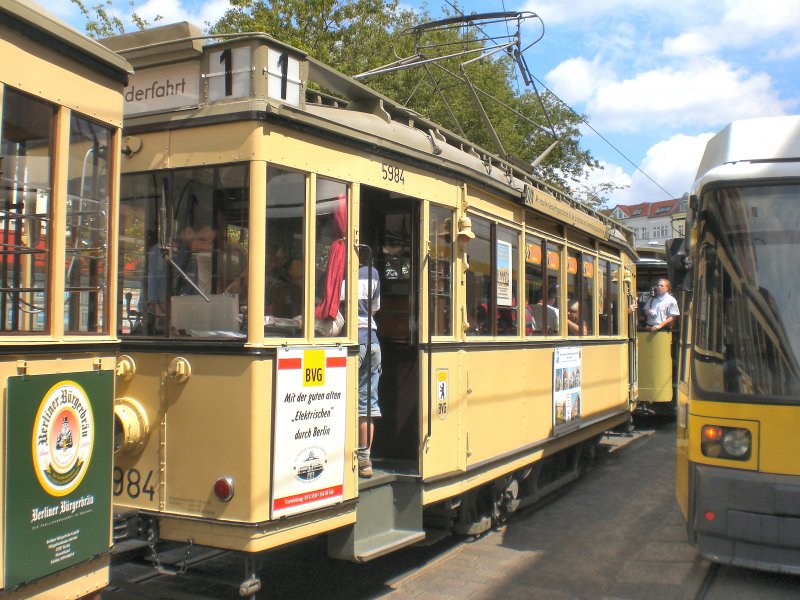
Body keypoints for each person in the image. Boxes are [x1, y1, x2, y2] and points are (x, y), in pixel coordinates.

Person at [357, 254, 381, 478]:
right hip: (372, 341)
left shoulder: (338, 274)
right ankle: (365, 461)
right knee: (366, 404)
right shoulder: (372, 273)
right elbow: (375, 308)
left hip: (353, 342)